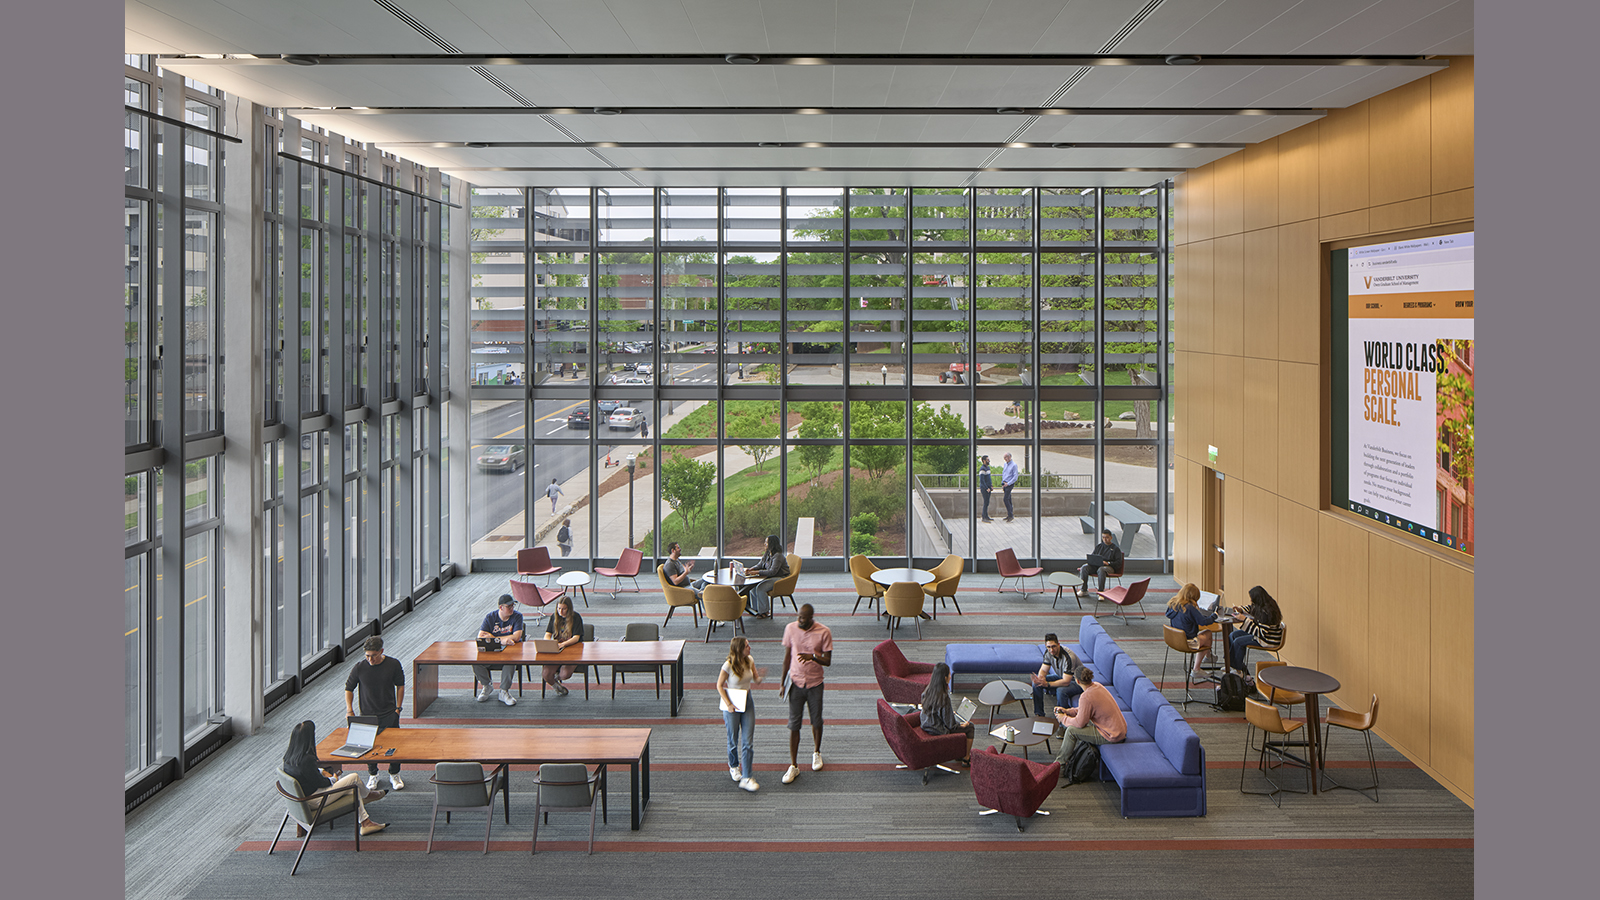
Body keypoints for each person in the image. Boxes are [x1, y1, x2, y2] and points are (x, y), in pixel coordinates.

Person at [281, 720, 389, 836]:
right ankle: (368, 795)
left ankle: (365, 823)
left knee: (354, 788)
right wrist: (333, 778)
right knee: (354, 778)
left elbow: (304, 773)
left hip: (300, 800)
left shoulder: (289, 757)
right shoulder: (307, 759)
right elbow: (321, 783)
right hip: (316, 799)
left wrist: (321, 771)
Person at [778, 603, 833, 784]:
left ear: (811, 618)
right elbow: (788, 656)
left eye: (803, 618)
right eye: (799, 617)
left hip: (815, 684)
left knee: (816, 721)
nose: (800, 620)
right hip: (795, 683)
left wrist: (814, 657)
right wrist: (782, 683)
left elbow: (828, 661)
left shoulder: (824, 632)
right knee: (794, 724)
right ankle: (793, 765)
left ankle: (816, 752)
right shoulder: (790, 629)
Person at [344, 636, 406, 790]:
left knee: (394, 745)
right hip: (367, 714)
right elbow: (349, 688)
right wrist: (349, 709)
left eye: (373, 655)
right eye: (367, 656)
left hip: (389, 712)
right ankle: (373, 775)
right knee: (368, 746)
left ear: (381, 651)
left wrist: (398, 708)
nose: (370, 659)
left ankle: (394, 774)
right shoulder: (359, 667)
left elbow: (400, 686)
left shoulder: (393, 664)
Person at [716, 636, 763, 792]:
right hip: (733, 703)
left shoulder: (749, 660)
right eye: (747, 646)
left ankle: (747, 776)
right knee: (733, 739)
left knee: (748, 741)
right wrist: (728, 704)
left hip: (747, 701)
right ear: (739, 649)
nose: (750, 648)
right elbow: (719, 685)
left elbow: (755, 679)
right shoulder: (728, 665)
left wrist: (759, 677)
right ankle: (734, 765)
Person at [1052, 665, 1126, 763]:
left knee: (1071, 731)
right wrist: (1068, 711)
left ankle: (1059, 765)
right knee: (1084, 721)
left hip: (1111, 735)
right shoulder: (1097, 685)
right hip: (1119, 730)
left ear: (1077, 681)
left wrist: (1063, 718)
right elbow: (1085, 709)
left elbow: (1079, 723)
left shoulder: (1085, 696)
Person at [916, 662, 974, 766]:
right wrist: (961, 725)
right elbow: (950, 725)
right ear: (945, 678)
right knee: (970, 727)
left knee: (958, 722)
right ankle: (966, 758)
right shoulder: (944, 697)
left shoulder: (928, 690)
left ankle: (958, 753)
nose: (951, 677)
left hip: (926, 725)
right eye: (949, 674)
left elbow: (934, 711)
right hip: (938, 730)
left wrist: (950, 713)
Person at [473, 594, 523, 706]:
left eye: (513, 605)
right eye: (509, 606)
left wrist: (493, 638)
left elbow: (516, 637)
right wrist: (503, 640)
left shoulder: (517, 616)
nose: (512, 608)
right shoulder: (490, 617)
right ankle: (487, 686)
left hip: (509, 653)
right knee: (475, 661)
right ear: (501, 607)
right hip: (491, 652)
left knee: (510, 662)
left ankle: (504, 691)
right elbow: (481, 636)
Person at [1166, 582, 1221, 681]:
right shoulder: (1190, 608)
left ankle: (1209, 657)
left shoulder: (1173, 604)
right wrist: (1215, 615)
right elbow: (1203, 622)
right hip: (1188, 642)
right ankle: (1198, 668)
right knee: (1208, 633)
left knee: (1203, 634)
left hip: (1174, 640)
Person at [1229, 585, 1285, 674]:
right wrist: (1241, 609)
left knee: (1238, 642)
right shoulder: (1264, 604)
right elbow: (1252, 608)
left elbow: (1261, 632)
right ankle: (1232, 664)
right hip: (1264, 635)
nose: (1251, 601)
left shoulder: (1266, 612)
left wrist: (1244, 620)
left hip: (1268, 639)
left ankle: (1237, 669)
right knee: (1233, 635)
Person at [1030, 633, 1084, 717]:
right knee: (1036, 684)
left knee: (1061, 691)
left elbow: (1066, 682)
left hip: (1078, 682)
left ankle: (1063, 721)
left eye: (1053, 646)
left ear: (1058, 644)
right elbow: (1044, 669)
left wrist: (1047, 684)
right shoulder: (1048, 653)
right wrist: (1041, 678)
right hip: (1063, 676)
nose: (1051, 650)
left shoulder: (1069, 657)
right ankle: (1039, 714)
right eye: (1048, 647)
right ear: (1046, 646)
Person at [541, 596, 585, 696]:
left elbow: (576, 638)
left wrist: (562, 644)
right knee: (546, 674)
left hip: (572, 649)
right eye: (559, 608)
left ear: (569, 608)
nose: (561, 611)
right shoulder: (554, 617)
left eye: (564, 609)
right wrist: (548, 642)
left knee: (564, 675)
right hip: (557, 649)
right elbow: (548, 634)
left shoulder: (575, 617)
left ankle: (556, 677)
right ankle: (556, 686)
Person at [742, 534, 789, 619]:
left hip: (780, 578)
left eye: (766, 542)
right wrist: (752, 569)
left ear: (771, 544)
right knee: (752, 587)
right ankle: (757, 609)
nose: (764, 544)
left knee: (760, 588)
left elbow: (772, 572)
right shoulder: (768, 553)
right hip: (770, 576)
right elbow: (760, 564)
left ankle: (765, 611)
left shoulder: (778, 556)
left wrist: (756, 572)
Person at [1078, 529, 1126, 593]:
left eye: (1107, 537)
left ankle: (1101, 591)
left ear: (1111, 537)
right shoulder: (1099, 547)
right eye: (1103, 537)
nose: (1105, 539)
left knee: (1101, 569)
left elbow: (1118, 563)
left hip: (1109, 567)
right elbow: (1093, 557)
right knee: (1084, 567)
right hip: (1096, 566)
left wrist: (1108, 563)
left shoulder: (1116, 549)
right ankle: (1084, 590)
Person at [1000, 452, 1020, 522]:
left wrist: (1008, 483)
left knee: (1005, 499)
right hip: (1005, 484)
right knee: (1009, 499)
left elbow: (1015, 476)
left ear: (1010, 457)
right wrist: (1003, 483)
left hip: (1009, 484)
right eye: (1004, 458)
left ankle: (1010, 515)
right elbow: (1004, 473)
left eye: (1006, 457)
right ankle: (1009, 515)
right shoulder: (1005, 464)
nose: (1005, 459)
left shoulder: (1014, 465)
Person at [977, 455, 995, 522]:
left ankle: (986, 516)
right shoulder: (982, 469)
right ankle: (983, 517)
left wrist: (991, 486)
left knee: (987, 502)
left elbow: (989, 479)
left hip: (988, 488)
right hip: (984, 489)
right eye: (987, 459)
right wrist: (986, 488)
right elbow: (982, 480)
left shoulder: (988, 468)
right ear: (984, 461)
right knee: (985, 502)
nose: (989, 460)